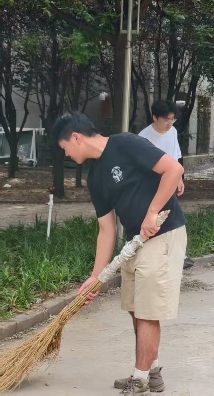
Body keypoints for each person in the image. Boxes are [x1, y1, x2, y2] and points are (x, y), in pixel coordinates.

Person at [53, 111, 186, 396]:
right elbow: (106, 229)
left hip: (163, 233)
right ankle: (152, 372)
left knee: (148, 311)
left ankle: (139, 379)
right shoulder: (95, 177)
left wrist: (152, 212)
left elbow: (174, 170)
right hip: (134, 241)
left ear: (76, 138)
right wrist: (96, 278)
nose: (66, 154)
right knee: (136, 308)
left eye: (65, 148)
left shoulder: (126, 143)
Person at [139, 100, 193, 270]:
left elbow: (175, 156)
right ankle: (150, 256)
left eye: (172, 119)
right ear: (154, 117)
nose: (169, 123)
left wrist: (178, 178)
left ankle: (178, 255)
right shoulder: (143, 137)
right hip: (150, 185)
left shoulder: (173, 132)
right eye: (166, 119)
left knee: (173, 218)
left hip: (168, 182)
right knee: (153, 219)